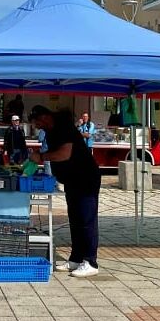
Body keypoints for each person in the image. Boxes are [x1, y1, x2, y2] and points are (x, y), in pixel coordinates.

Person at [28, 105, 101, 277]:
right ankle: (76, 258)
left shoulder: (64, 127)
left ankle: (90, 261)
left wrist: (42, 157)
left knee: (86, 219)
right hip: (71, 180)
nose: (37, 127)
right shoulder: (51, 131)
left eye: (37, 122)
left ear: (45, 117)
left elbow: (64, 154)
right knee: (75, 219)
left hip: (85, 178)